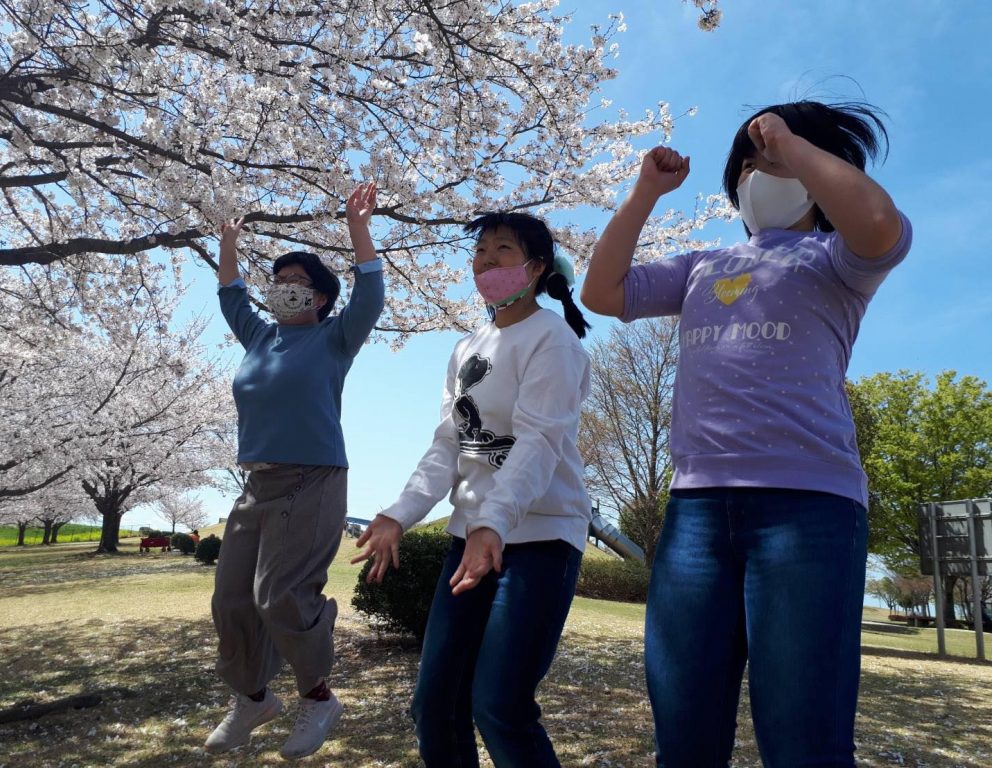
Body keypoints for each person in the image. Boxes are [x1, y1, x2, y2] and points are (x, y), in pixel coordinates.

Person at [581, 100, 911, 767]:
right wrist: (646, 189)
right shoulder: (704, 262)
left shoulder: (837, 259)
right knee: (684, 736)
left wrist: (792, 145)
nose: (762, 168)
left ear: (819, 171)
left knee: (803, 742)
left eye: (777, 157)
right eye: (751, 161)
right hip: (695, 513)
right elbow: (601, 290)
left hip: (810, 509)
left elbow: (879, 223)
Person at [353, 211, 592, 767]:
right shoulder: (466, 348)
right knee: (434, 704)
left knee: (500, 705)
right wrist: (400, 513)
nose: (486, 261)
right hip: (469, 542)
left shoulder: (552, 341)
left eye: (502, 250)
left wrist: (495, 521)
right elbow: (447, 445)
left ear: (535, 267)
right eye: (480, 251)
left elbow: (538, 443)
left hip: (539, 540)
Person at [204, 183, 384, 759]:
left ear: (321, 299)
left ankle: (318, 697)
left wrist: (358, 227)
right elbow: (231, 293)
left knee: (279, 594)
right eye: (277, 281)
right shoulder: (259, 336)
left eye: (297, 283)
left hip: (313, 477)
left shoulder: (335, 338)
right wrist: (229, 241)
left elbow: (371, 294)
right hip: (257, 483)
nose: (283, 288)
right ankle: (253, 698)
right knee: (232, 599)